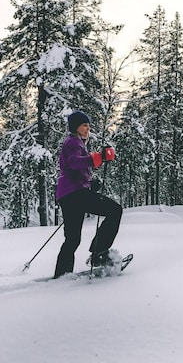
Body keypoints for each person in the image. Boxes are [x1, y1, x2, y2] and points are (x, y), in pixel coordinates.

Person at [54, 110, 123, 278]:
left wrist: (90, 184)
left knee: (72, 239)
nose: (87, 129)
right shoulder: (73, 142)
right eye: (84, 125)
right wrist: (97, 158)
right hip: (75, 194)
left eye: (88, 126)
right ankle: (99, 253)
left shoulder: (75, 143)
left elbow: (72, 170)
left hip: (68, 195)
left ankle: (62, 273)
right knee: (115, 210)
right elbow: (74, 162)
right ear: (75, 127)